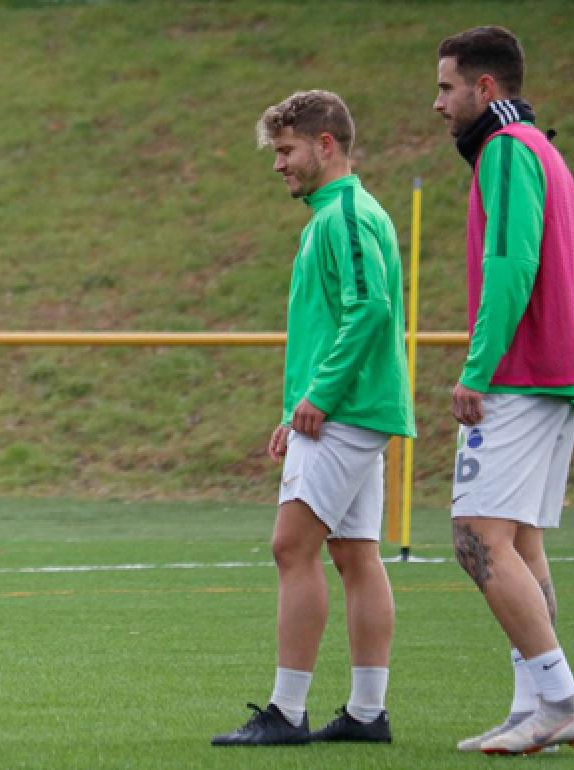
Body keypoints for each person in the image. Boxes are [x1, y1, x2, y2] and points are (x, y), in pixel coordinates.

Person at [211, 90, 415, 747]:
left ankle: (287, 711)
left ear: (325, 145)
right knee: (356, 554)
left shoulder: (346, 214)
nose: (279, 165)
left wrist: (320, 396)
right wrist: (294, 405)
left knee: (291, 547)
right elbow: (337, 321)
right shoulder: (337, 214)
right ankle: (366, 713)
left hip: (345, 411)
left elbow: (370, 309)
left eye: (286, 150)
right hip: (349, 408)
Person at [433, 26, 574, 755]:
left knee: (476, 537)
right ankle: (532, 705)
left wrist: (478, 368)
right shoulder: (542, 149)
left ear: (485, 87)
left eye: (446, 87)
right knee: (521, 541)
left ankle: (562, 700)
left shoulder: (504, 150)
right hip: (556, 375)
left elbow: (510, 265)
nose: (438, 103)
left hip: (520, 376)